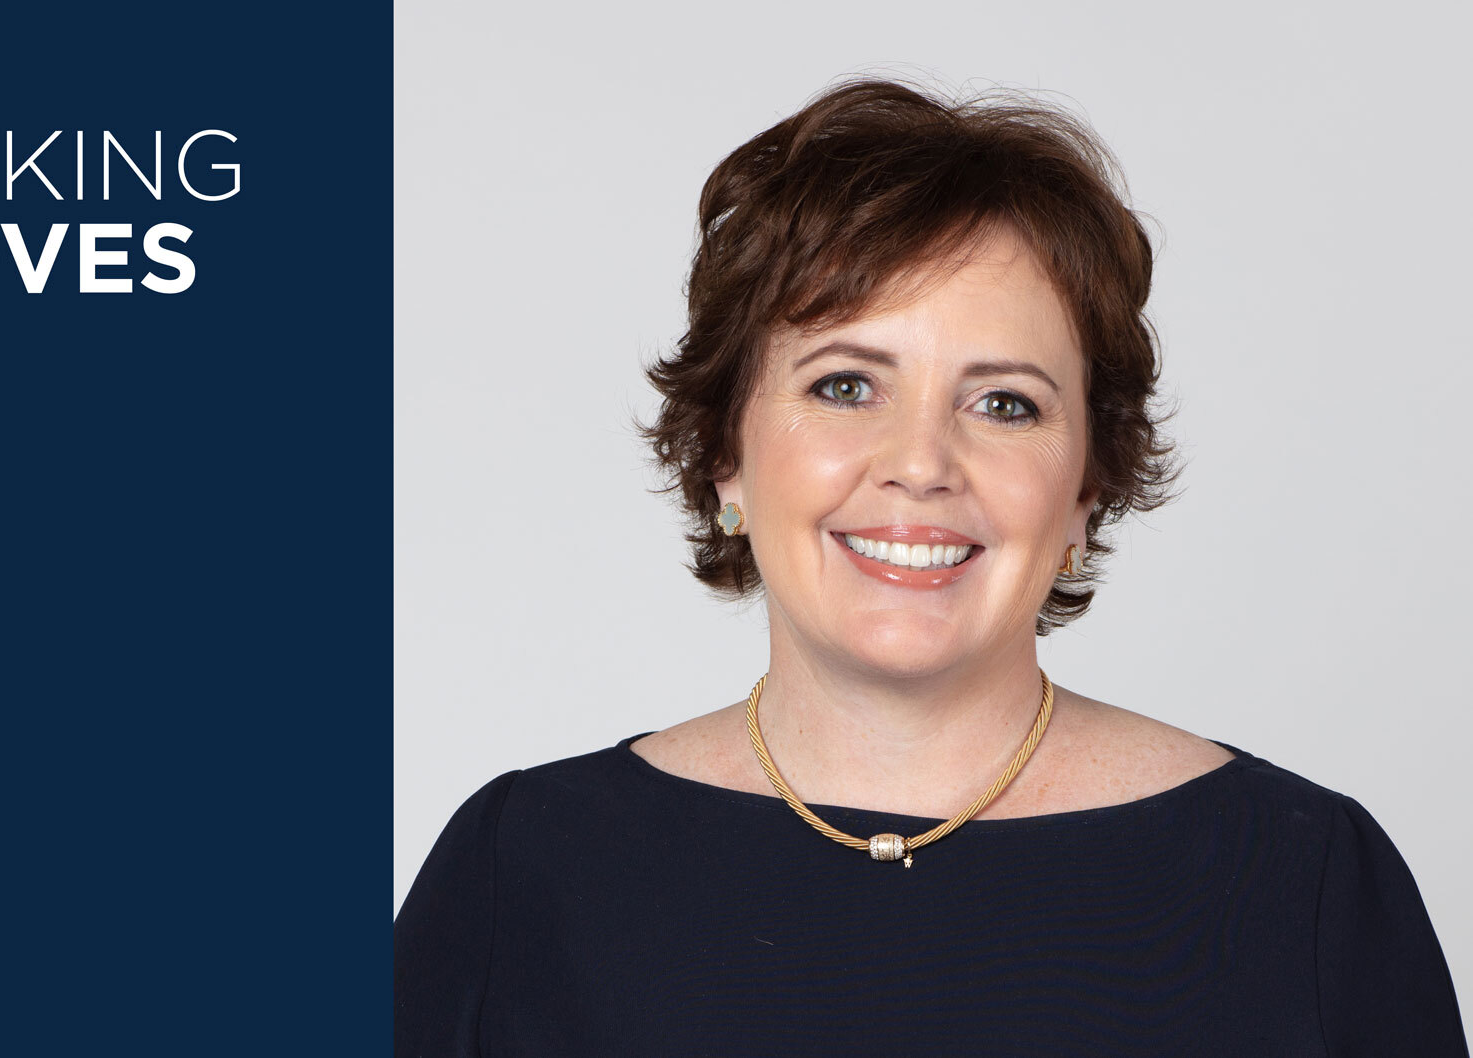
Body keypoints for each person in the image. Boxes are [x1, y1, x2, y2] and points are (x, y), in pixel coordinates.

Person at [394, 79, 1468, 1055]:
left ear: (1084, 487)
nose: (919, 464)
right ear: (723, 452)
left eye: (1003, 403)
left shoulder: (1302, 881)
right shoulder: (519, 872)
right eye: (844, 386)